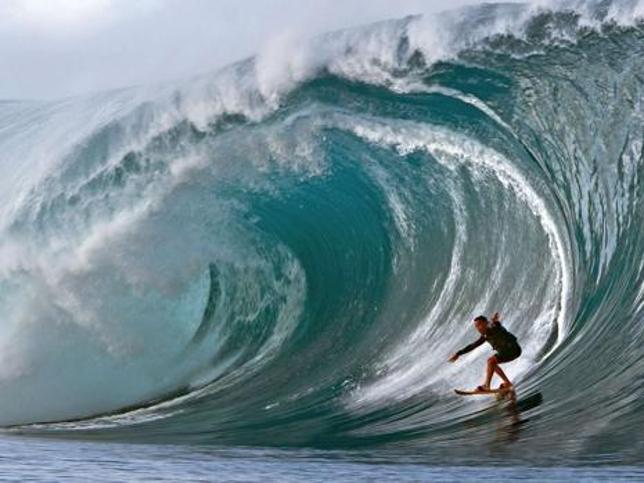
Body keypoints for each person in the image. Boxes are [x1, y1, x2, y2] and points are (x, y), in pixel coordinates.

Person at [448, 312, 521, 391]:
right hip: (508, 352)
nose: (478, 328)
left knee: (490, 361)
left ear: (486, 323)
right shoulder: (485, 336)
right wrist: (458, 354)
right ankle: (507, 383)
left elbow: (496, 325)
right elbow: (473, 345)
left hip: (513, 349)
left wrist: (494, 321)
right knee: (492, 364)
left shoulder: (493, 327)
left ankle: (486, 386)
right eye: (476, 326)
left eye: (479, 325)